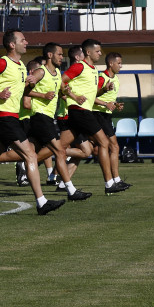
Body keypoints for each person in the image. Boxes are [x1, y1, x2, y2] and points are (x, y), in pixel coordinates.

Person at [0, 30, 65, 215]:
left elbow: (23, 92)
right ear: (12, 44)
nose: (26, 42)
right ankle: (42, 201)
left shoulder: (21, 65)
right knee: (31, 154)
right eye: (23, 39)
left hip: (11, 117)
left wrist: (30, 84)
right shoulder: (2, 62)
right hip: (4, 116)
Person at [25, 42, 92, 201]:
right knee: (59, 151)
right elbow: (26, 88)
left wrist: (75, 97)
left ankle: (2, 161)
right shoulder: (41, 72)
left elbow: (62, 89)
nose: (62, 57)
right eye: (60, 54)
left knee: (30, 154)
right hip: (39, 116)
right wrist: (41, 94)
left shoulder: (56, 73)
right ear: (50, 55)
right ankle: (70, 189)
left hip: (47, 117)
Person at [59, 38, 126, 195]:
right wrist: (74, 97)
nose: (100, 53)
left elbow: (93, 93)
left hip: (81, 111)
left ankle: (35, 158)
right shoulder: (79, 67)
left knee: (59, 148)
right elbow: (61, 82)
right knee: (104, 143)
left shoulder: (93, 70)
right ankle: (109, 183)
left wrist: (104, 90)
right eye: (97, 51)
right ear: (87, 52)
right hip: (80, 110)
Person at [93, 52, 130, 186]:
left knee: (106, 147)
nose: (121, 66)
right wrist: (106, 104)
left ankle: (115, 179)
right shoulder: (102, 78)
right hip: (98, 114)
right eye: (119, 63)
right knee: (114, 146)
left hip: (106, 115)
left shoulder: (116, 79)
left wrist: (115, 104)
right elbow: (92, 97)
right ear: (111, 63)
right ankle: (115, 180)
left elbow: (108, 100)